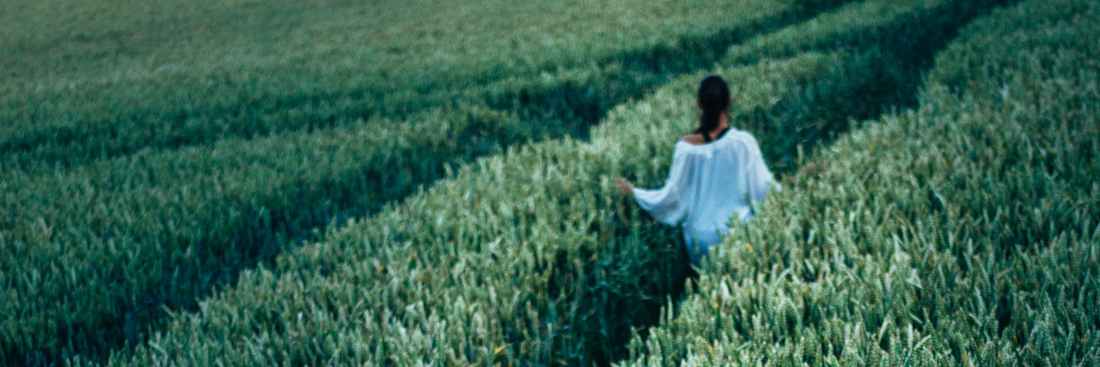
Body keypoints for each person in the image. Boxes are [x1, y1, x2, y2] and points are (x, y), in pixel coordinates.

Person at [615, 75, 779, 265]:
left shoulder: (686, 148)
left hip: (699, 242)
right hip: (737, 235)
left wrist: (635, 192)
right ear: (729, 102)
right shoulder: (743, 143)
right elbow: (764, 189)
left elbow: (670, 197)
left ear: (698, 104)